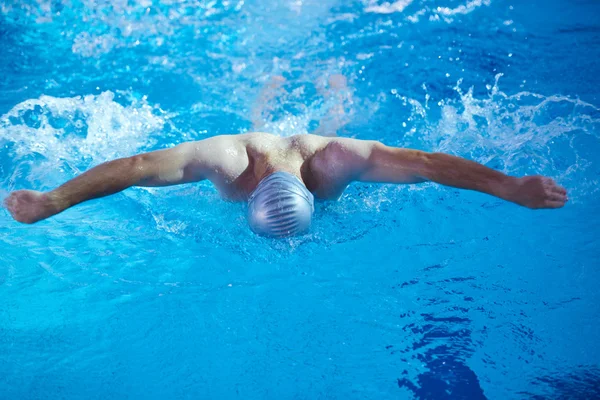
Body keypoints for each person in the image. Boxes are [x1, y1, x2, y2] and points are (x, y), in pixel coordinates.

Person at [4, 131, 567, 237]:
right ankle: (267, 99)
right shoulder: (227, 160)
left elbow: (425, 162)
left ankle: (333, 90)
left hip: (317, 145)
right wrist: (54, 199)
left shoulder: (335, 160)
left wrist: (508, 187)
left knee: (336, 116)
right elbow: (138, 165)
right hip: (254, 141)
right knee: (259, 114)